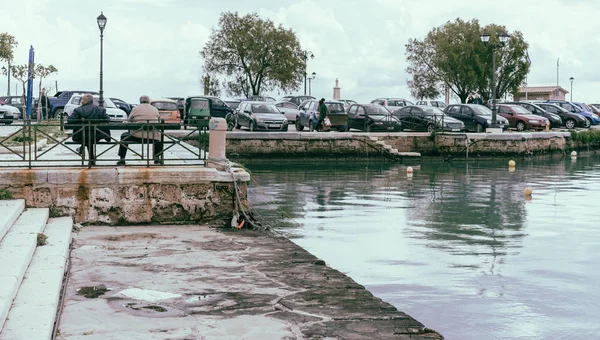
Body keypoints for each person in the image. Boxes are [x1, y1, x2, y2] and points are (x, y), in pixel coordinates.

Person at [117, 95, 164, 165]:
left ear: (140, 101)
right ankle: (157, 158)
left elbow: (128, 121)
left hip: (137, 136)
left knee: (124, 136)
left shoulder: (135, 109)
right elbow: (159, 121)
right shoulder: (155, 109)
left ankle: (122, 158)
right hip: (153, 137)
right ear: (149, 101)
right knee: (159, 137)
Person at [67, 93, 111, 166]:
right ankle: (90, 158)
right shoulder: (100, 109)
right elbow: (107, 120)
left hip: (81, 136)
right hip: (97, 135)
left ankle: (86, 152)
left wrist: (80, 121)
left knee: (87, 136)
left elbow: (70, 120)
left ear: (86, 101)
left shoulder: (78, 110)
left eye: (82, 99)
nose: (81, 100)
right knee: (89, 137)